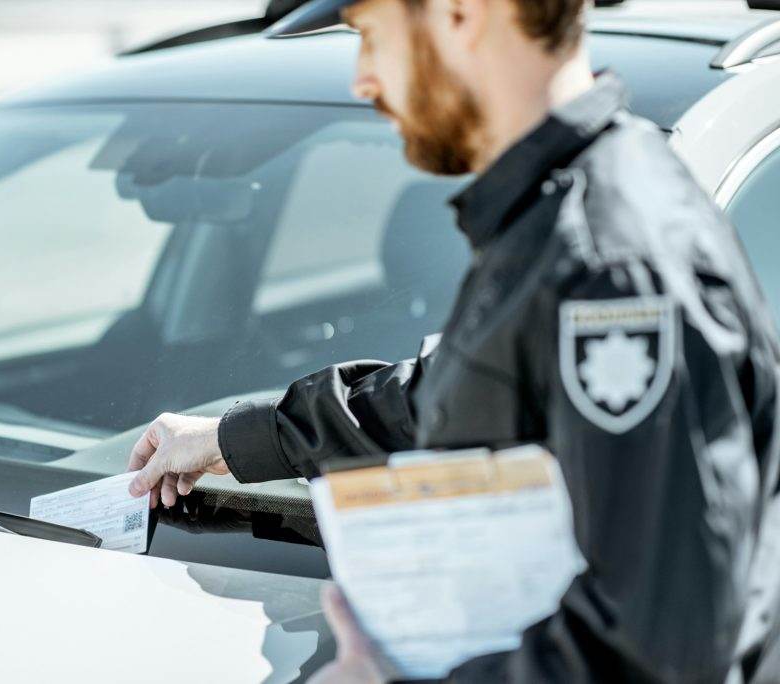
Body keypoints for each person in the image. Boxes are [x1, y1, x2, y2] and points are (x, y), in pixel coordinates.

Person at [126, 0, 780, 681]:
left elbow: (661, 651)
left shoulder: (609, 266)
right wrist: (238, 439)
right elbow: (454, 392)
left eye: (373, 38)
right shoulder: (561, 215)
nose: (363, 79)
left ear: (463, 14)